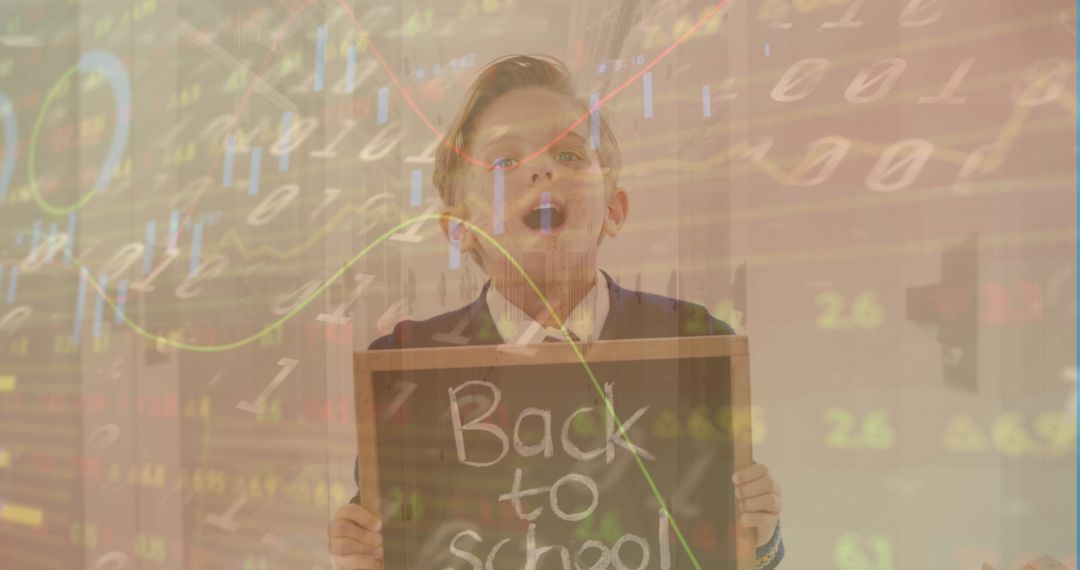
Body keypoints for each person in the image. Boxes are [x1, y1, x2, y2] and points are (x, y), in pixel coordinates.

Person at [329, 55, 784, 569]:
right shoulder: (406, 367)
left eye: (569, 155)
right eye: (503, 163)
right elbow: (398, 537)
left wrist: (760, 540)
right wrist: (361, 557)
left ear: (613, 209)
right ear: (459, 230)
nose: (542, 170)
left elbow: (720, 544)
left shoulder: (692, 342)